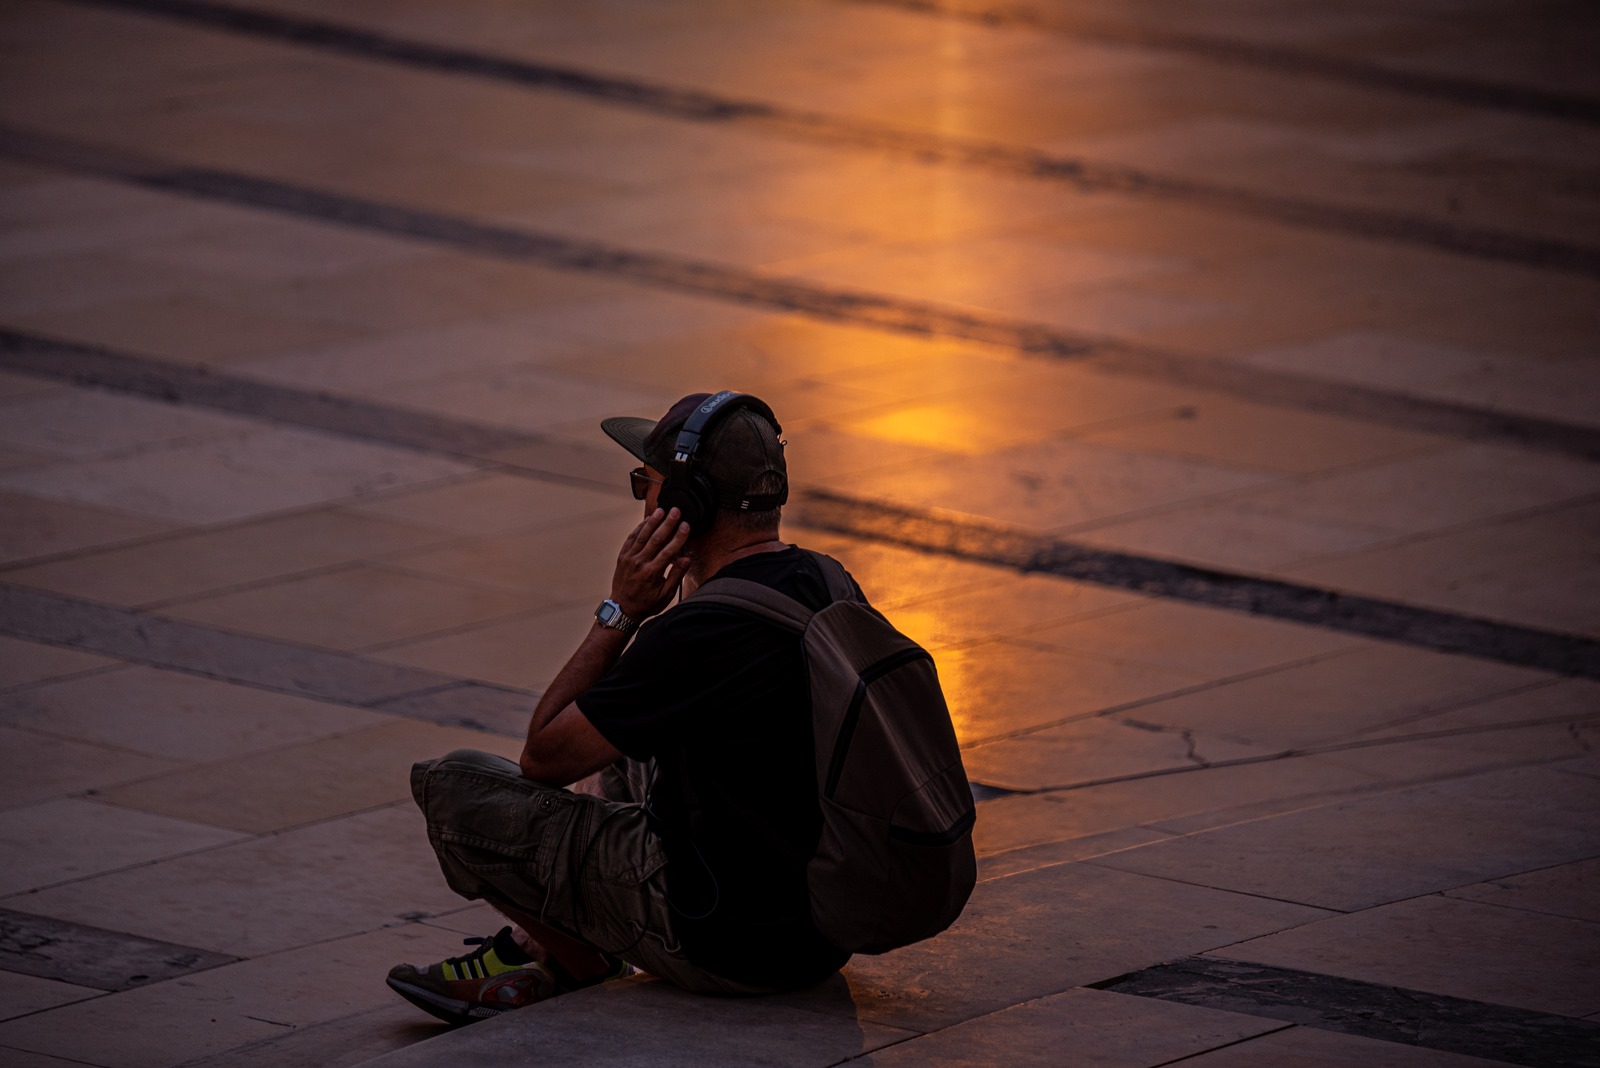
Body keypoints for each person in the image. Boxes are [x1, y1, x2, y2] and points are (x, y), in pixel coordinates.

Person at [386, 390, 864, 1025]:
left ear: (685, 502)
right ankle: (536, 946)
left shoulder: (697, 635)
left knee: (454, 788)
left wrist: (622, 613)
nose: (643, 500)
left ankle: (576, 959)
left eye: (647, 483)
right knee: (618, 732)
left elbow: (544, 757)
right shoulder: (829, 581)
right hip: (818, 934)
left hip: (722, 944)